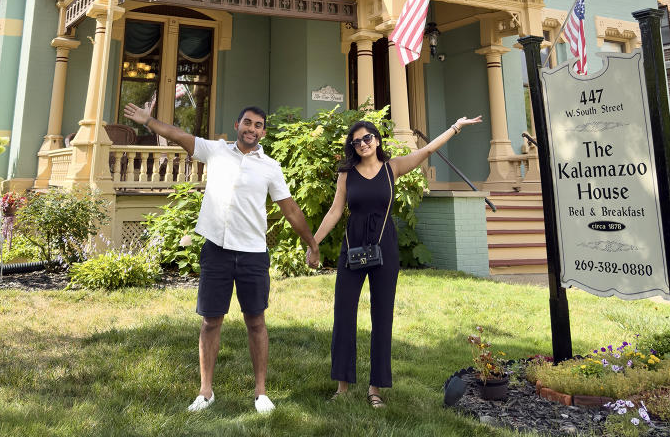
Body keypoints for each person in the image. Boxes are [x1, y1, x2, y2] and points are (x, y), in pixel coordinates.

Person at [124, 101, 320, 414]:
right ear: (237, 125)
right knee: (210, 321)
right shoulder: (215, 151)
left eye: (257, 125)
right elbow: (178, 135)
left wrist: (312, 243)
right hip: (216, 249)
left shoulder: (269, 167)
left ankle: (261, 393)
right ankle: (205, 392)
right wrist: (150, 122)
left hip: (253, 253)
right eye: (247, 123)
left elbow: (291, 209)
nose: (251, 129)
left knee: (256, 322)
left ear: (263, 132)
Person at [307, 115, 482, 407]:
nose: (363, 144)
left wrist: (455, 127)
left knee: (382, 315)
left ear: (376, 139)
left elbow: (426, 151)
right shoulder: (347, 173)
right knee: (344, 314)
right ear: (353, 146)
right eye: (357, 141)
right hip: (352, 246)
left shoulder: (393, 167)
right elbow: (335, 211)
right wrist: (314, 244)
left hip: (384, 248)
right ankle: (342, 386)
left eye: (368, 138)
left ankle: (375, 388)